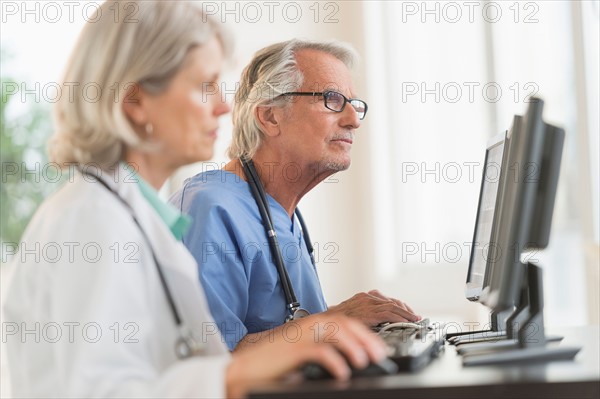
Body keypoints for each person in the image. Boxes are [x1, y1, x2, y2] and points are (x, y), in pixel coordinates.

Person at [2, 2, 387, 398]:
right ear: (136, 101)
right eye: (205, 85)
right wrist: (237, 372)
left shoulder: (137, 218)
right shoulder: (92, 219)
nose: (223, 106)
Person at [170, 39, 421, 352]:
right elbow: (212, 361)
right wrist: (332, 322)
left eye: (354, 105)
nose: (353, 120)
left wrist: (345, 325)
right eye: (332, 99)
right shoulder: (210, 207)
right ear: (270, 116)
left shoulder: (283, 216)